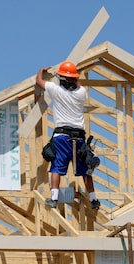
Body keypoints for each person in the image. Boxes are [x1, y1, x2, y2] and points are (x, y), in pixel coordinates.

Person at [35, 61, 100, 210]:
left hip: (62, 137)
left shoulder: (55, 90)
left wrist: (41, 71)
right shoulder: (81, 93)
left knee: (57, 167)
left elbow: (39, 82)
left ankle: (53, 199)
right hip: (79, 138)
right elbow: (78, 84)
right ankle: (94, 200)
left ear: (62, 79)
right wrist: (74, 75)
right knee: (85, 169)